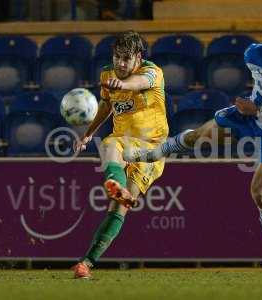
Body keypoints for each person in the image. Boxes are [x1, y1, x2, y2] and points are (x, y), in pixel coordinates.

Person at [123, 17, 262, 281]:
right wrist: (254, 110)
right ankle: (153, 154)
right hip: (249, 116)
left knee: (261, 194)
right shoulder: (254, 54)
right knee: (201, 135)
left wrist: (260, 110)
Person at [72, 30, 168, 279]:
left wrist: (124, 84)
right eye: (117, 57)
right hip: (123, 142)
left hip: (151, 148)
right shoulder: (107, 74)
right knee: (112, 150)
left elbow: (139, 83)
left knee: (120, 202)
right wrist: (88, 133)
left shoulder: (152, 72)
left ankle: (117, 185)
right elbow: (106, 104)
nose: (120, 64)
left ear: (138, 57)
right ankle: (86, 263)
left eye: (126, 59)